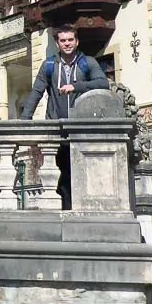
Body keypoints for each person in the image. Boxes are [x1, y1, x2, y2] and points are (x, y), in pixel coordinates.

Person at [20, 26, 111, 208]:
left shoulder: (88, 63)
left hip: (82, 130)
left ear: (77, 42)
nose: (67, 43)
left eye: (70, 40)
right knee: (60, 177)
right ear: (57, 43)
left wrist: (75, 86)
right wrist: (24, 120)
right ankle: (66, 212)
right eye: (63, 40)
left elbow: (103, 83)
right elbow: (36, 92)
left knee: (83, 173)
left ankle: (83, 211)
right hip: (56, 130)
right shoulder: (49, 66)